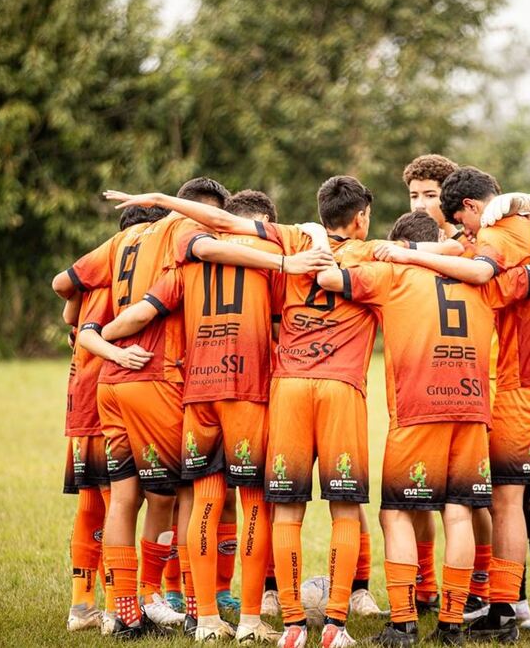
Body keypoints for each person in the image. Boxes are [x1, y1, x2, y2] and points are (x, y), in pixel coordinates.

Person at [102, 177, 461, 648]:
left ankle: (284, 623)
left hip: (272, 388)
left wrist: (158, 199)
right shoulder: (373, 251)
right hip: (329, 390)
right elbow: (445, 255)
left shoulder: (288, 237)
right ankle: (330, 624)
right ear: (361, 217)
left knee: (265, 509)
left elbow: (222, 221)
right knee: (342, 512)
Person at [53, 178, 329, 638]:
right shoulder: (201, 240)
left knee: (180, 497)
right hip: (225, 385)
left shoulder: (171, 265)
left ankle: (182, 616)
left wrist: (98, 342)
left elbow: (110, 307)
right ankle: (242, 618)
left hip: (185, 389)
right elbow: (290, 320)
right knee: (244, 500)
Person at [315, 210, 530, 645]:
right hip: (472, 407)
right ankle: (450, 626)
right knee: (460, 511)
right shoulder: (481, 279)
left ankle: (404, 624)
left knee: (396, 513)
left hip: (418, 409)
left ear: (403, 244)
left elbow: (330, 277)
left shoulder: (391, 274)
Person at [403, 154, 530, 626]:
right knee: (482, 496)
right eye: (415, 195)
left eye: (432, 196)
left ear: (459, 202)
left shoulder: (481, 236)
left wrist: (529, 207)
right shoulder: (426, 240)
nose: (424, 204)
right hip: (464, 381)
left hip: (508, 375)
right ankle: (492, 595)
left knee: (519, 495)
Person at [437, 166, 530, 639]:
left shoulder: (496, 236)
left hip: (526, 381)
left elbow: (483, 272)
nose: (467, 234)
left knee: (507, 497)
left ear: (471, 208)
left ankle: (503, 611)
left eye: (464, 224)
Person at [61, 205, 165, 633]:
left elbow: (70, 316)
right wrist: (119, 352)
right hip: (101, 398)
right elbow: (85, 328)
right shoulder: (113, 281)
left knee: (97, 502)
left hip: (83, 397)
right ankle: (110, 604)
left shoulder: (101, 277)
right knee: (112, 501)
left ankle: (85, 605)